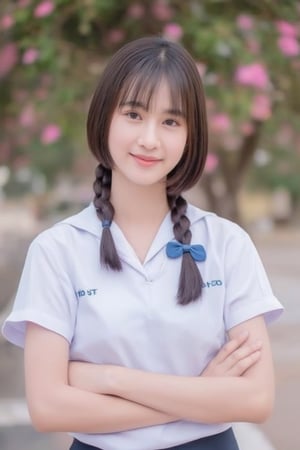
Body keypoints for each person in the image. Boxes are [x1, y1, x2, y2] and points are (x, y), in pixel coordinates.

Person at [2, 36, 283, 450]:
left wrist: (110, 380)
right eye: (133, 114)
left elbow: (257, 399)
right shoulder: (56, 250)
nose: (150, 139)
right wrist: (201, 394)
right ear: (104, 118)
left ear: (191, 135)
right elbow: (49, 408)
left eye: (171, 121)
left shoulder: (227, 244)